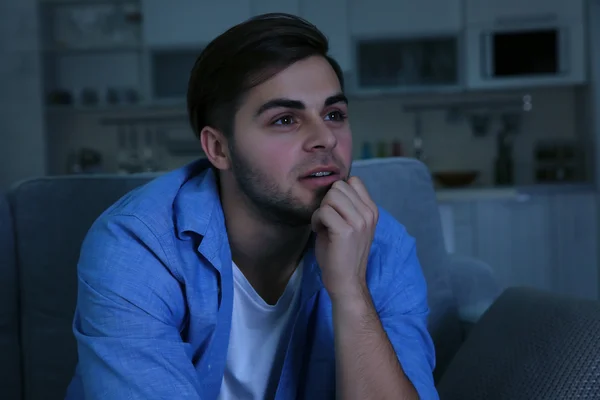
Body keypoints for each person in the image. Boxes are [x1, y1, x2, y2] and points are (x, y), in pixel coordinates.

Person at [65, 13, 438, 400]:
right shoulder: (137, 246)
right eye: (285, 119)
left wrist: (350, 291)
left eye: (334, 114)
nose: (325, 138)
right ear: (219, 149)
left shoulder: (380, 246)